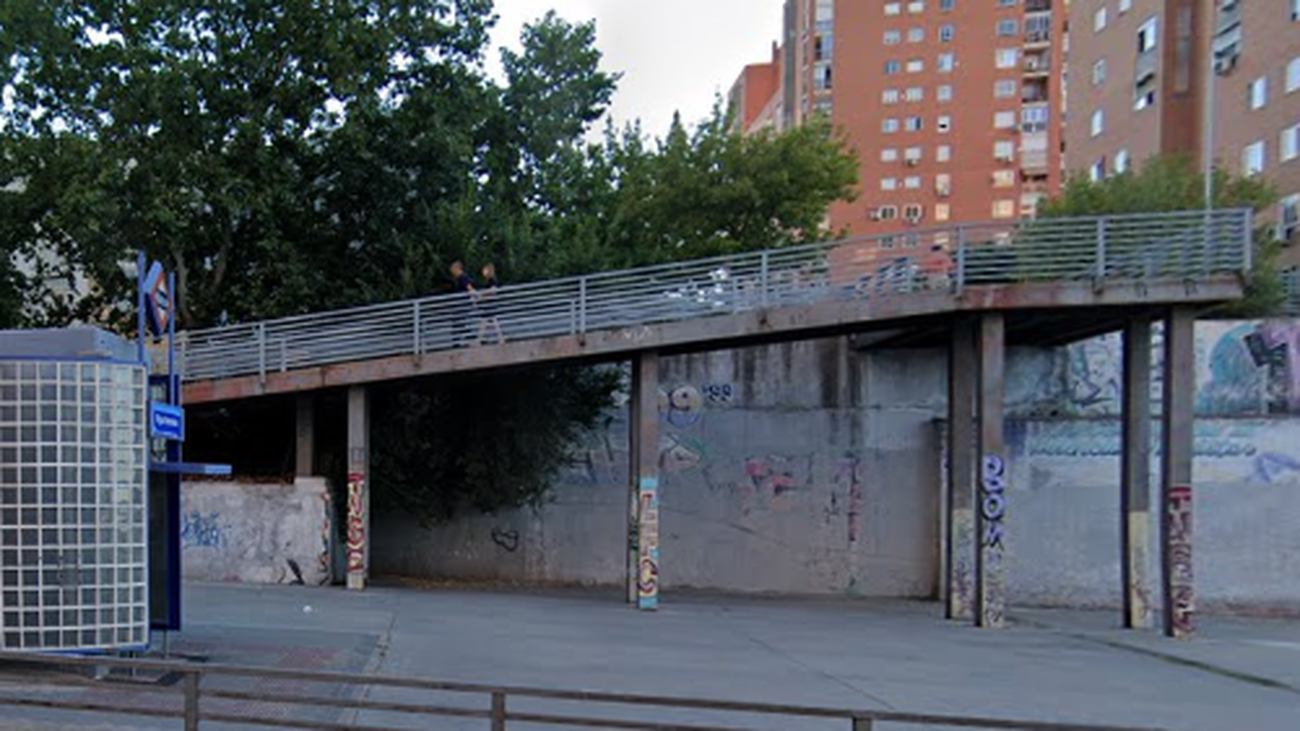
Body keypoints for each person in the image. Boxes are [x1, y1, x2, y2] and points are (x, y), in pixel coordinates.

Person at [475, 263, 505, 345]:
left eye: (485, 270)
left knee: (486, 321)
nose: (483, 271)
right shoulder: (491, 280)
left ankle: (480, 340)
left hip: (490, 303)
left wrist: (481, 295)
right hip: (489, 303)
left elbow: (492, 291)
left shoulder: (492, 280)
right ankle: (500, 338)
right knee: (488, 321)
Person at [449, 260, 475, 347]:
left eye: (453, 270)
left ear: (458, 269)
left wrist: (475, 297)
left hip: (462, 304)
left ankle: (457, 342)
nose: (452, 273)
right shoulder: (460, 278)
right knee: (460, 323)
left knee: (458, 322)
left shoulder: (463, 277)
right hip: (461, 304)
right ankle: (466, 339)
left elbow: (469, 288)